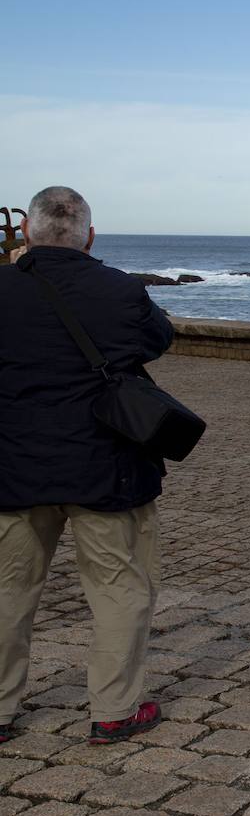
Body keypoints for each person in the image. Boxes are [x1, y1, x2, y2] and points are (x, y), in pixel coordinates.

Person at [0, 186, 173, 744]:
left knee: (7, 591)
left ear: (26, 231)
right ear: (90, 236)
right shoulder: (120, 289)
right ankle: (115, 709)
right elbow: (158, 339)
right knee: (119, 586)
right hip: (107, 465)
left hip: (14, 466)